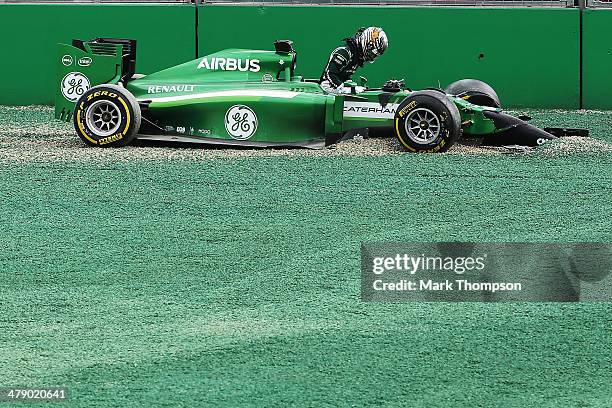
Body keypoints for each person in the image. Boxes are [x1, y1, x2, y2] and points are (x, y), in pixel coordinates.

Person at [320, 27, 388, 95]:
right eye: (372, 53)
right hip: (327, 89)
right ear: (367, 43)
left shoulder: (357, 55)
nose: (372, 56)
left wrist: (351, 86)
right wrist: (346, 89)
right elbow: (330, 74)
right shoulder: (344, 52)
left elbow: (346, 76)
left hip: (338, 89)